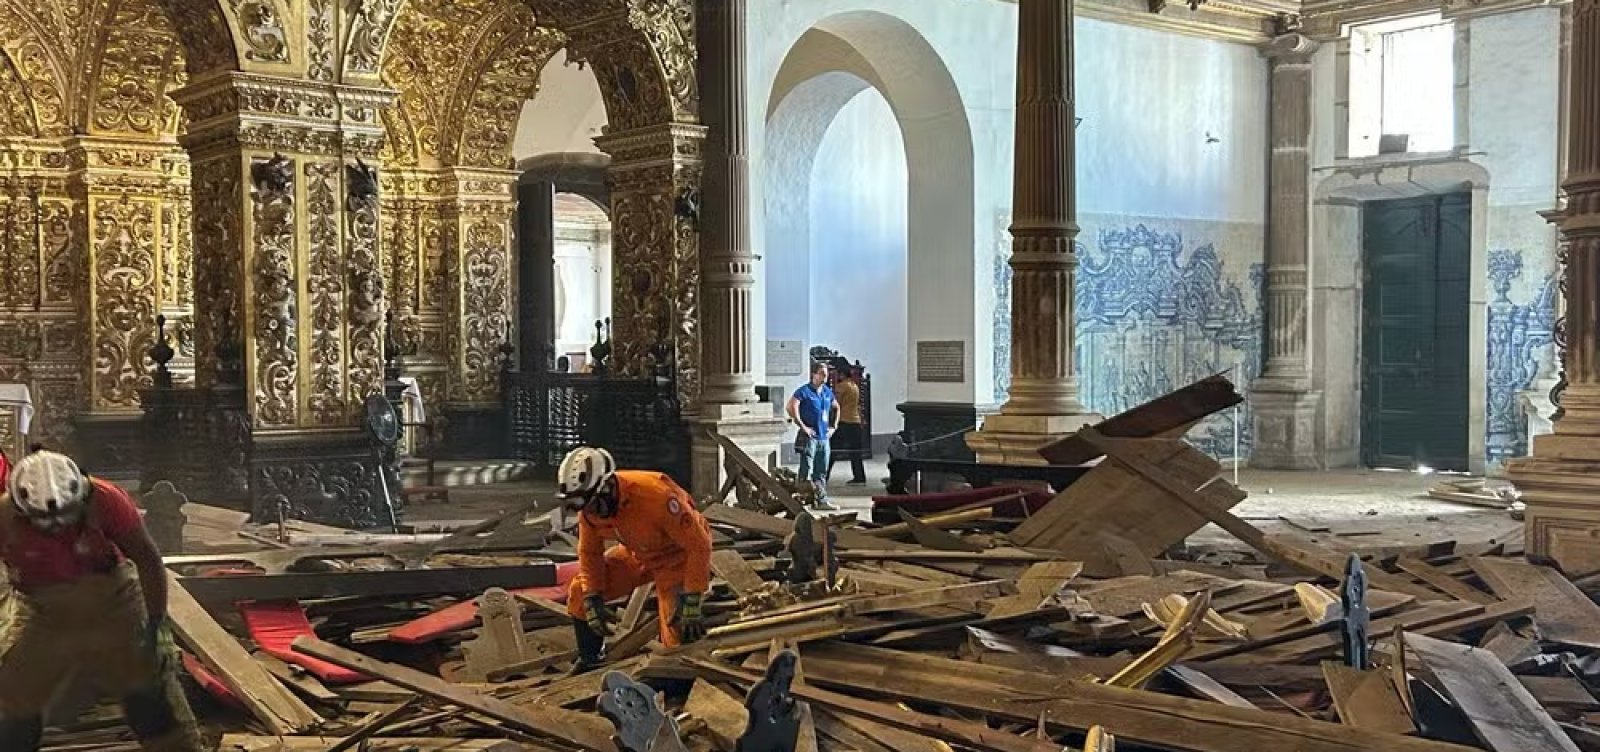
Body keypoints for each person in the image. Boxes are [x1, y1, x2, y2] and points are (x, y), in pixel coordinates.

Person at [0, 451, 202, 751]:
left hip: (114, 601)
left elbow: (147, 559)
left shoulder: (106, 499)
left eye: (63, 518)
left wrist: (157, 625)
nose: (55, 527)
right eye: (44, 520)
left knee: (148, 690)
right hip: (43, 610)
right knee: (13, 696)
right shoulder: (3, 517)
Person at [558, 447, 712, 672]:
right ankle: (590, 658)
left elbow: (698, 545)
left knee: (675, 627)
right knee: (580, 592)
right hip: (638, 552)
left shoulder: (656, 496)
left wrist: (692, 599)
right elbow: (590, 553)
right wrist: (593, 596)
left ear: (607, 487)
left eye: (592, 505)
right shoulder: (589, 510)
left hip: (676, 556)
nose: (590, 512)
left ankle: (682, 678)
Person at [786, 362, 840, 510]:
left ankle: (821, 500)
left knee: (821, 470)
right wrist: (803, 426)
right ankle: (801, 500)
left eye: (826, 374)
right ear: (814, 375)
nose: (825, 377)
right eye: (822, 373)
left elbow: (836, 407)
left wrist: (833, 426)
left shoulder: (827, 392)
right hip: (811, 437)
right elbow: (791, 406)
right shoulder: (804, 391)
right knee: (806, 468)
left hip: (824, 437)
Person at [828, 365, 868, 486]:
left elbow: (836, 403)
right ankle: (859, 476)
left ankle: (823, 475)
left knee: (832, 450)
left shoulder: (842, 386)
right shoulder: (854, 385)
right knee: (855, 452)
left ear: (842, 374)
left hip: (844, 421)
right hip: (855, 421)